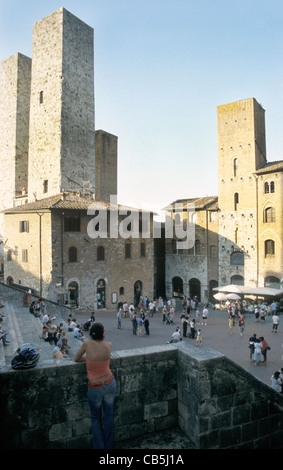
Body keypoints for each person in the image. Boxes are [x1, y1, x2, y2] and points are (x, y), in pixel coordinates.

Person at [74, 322, 116, 449]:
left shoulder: (87, 344)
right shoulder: (109, 345)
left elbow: (76, 358)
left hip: (95, 387)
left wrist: (88, 359)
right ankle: (109, 446)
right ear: (102, 334)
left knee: (96, 419)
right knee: (108, 417)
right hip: (109, 383)